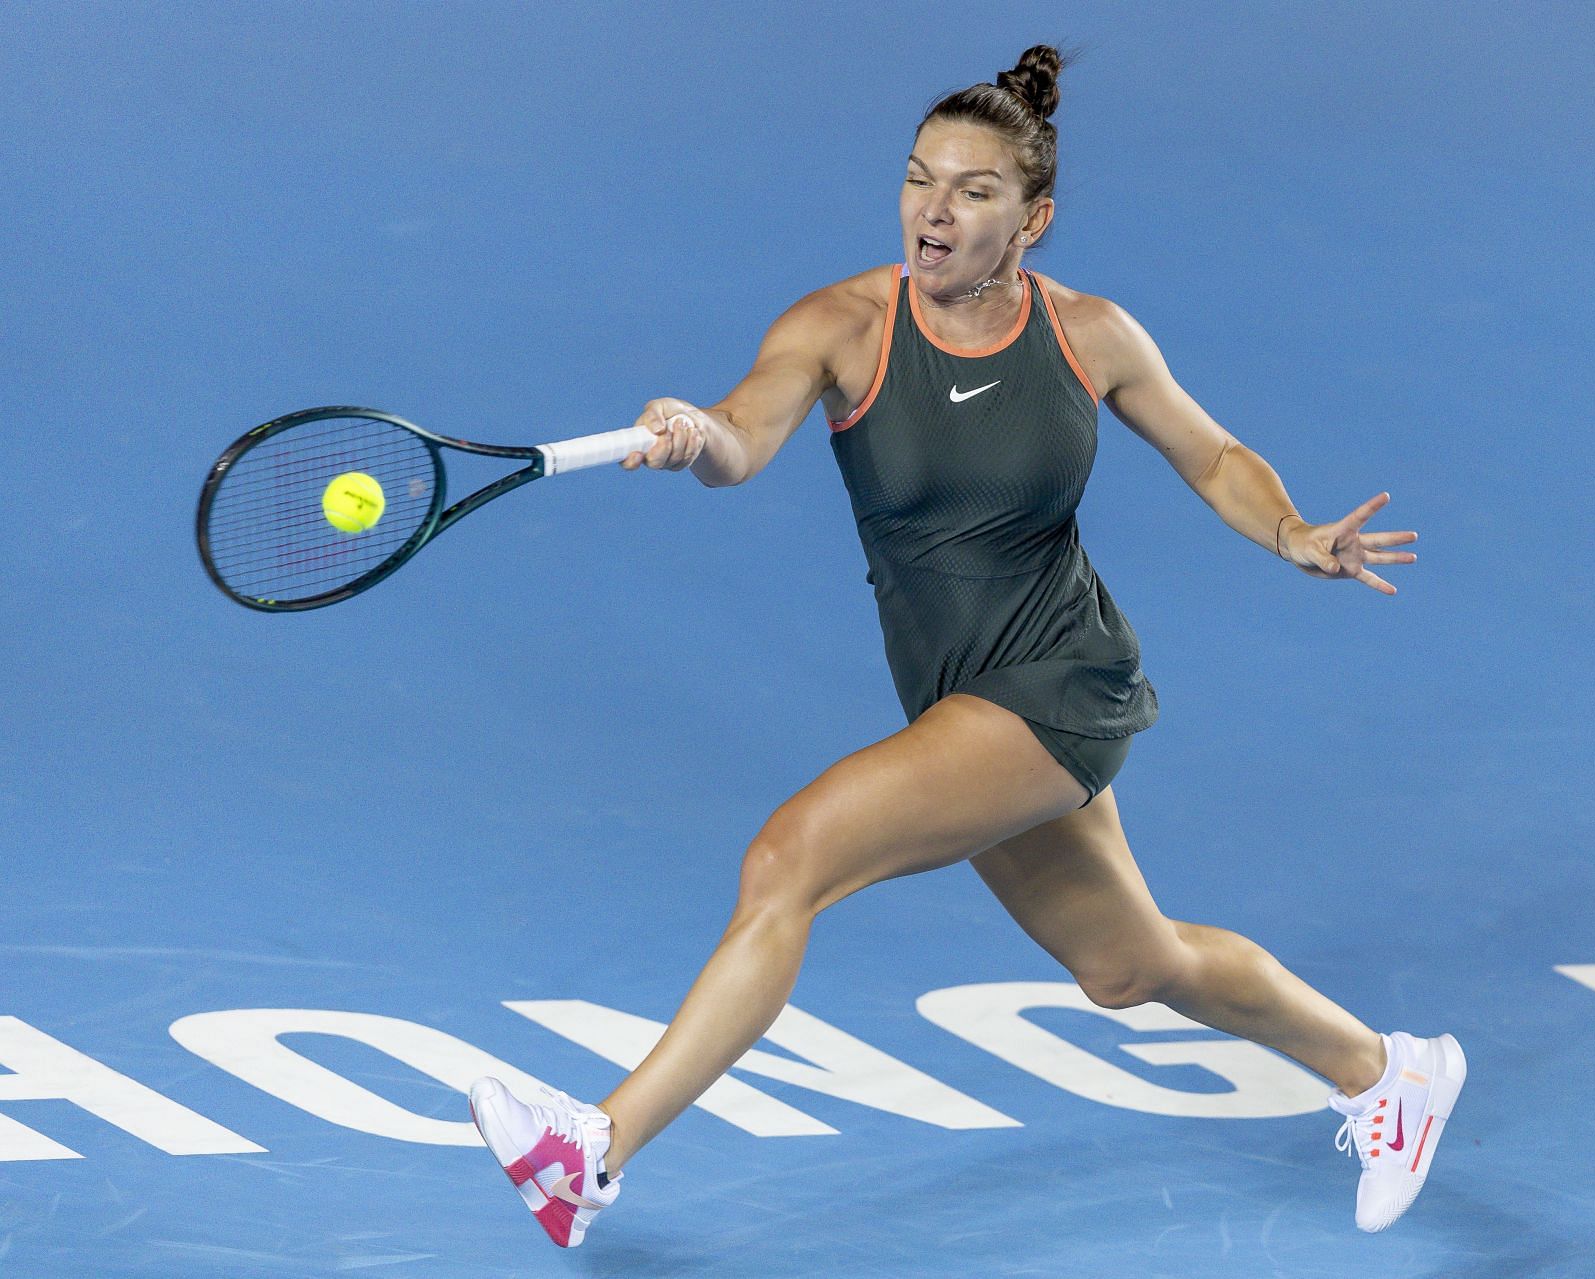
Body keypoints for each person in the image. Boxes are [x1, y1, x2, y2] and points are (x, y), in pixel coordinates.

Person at [466, 44, 1464, 1249]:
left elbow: (1209, 453)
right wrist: (692, 433)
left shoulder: (1092, 337)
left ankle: (595, 1150)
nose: (934, 212)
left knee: (792, 858)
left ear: (1032, 219)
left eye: (974, 191)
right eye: (918, 180)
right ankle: (1386, 1073)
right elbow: (745, 433)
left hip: (1057, 683)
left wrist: (1293, 530)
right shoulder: (840, 325)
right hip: (953, 688)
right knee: (1126, 967)